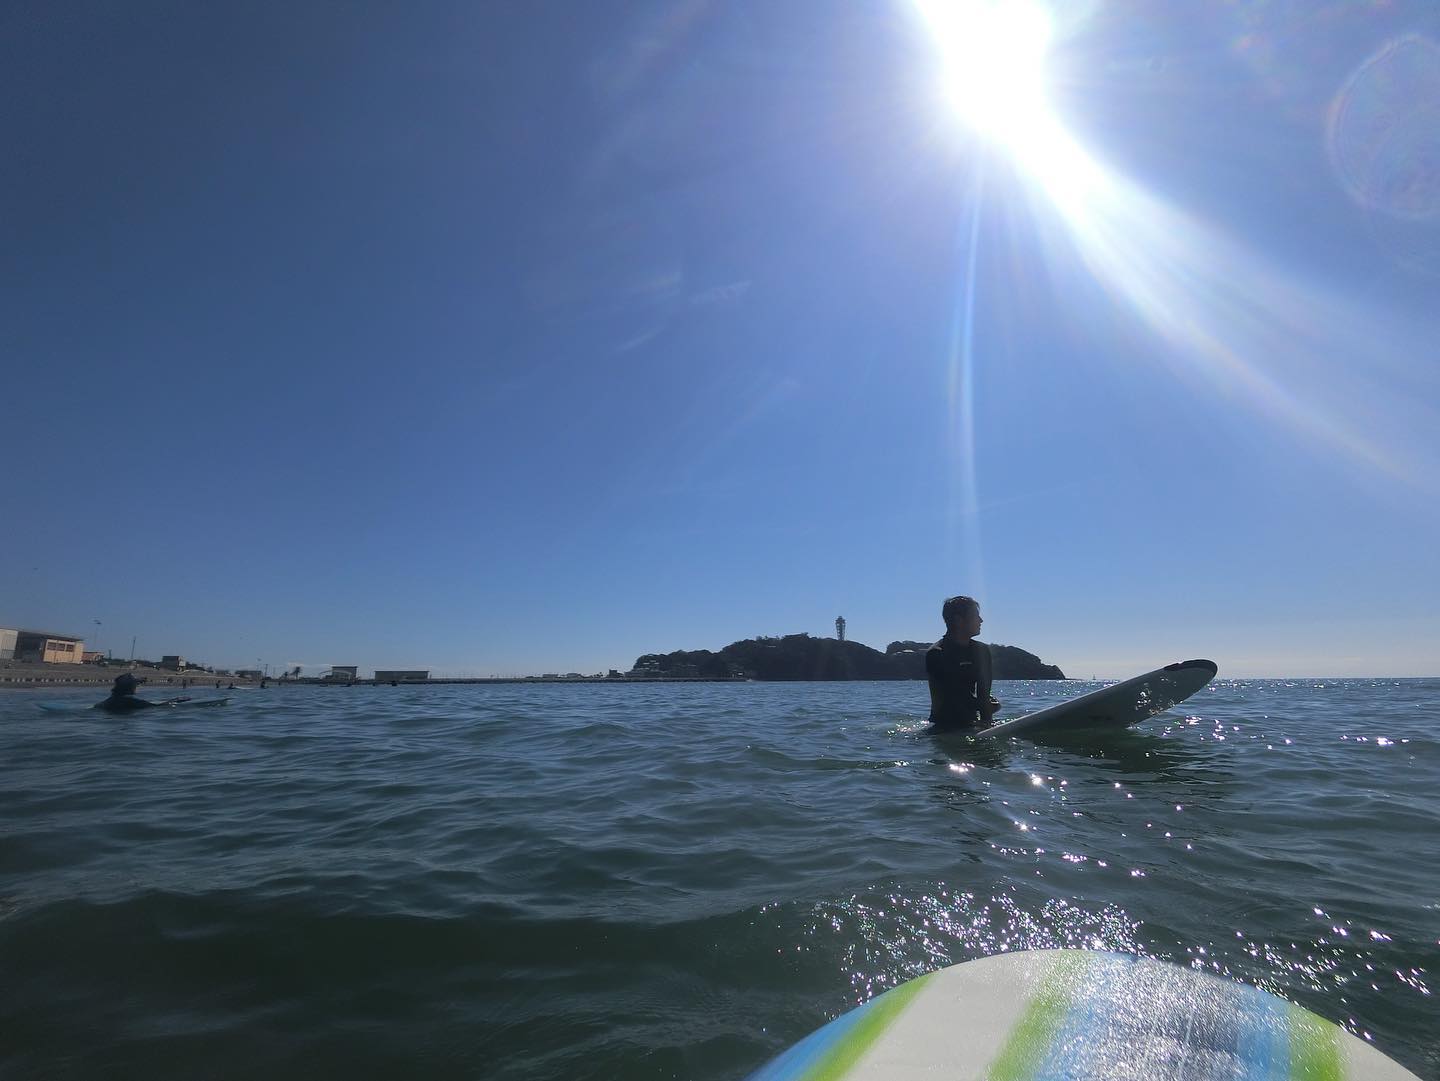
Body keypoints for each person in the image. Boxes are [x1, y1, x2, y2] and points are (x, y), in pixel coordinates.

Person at [926, 595, 1001, 730]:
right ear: (958, 620)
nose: (981, 620)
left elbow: (983, 693)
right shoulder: (937, 654)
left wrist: (988, 723)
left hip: (973, 724)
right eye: (975, 616)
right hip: (944, 728)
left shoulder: (982, 651)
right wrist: (986, 705)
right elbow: (954, 698)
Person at [95, 672, 165, 713]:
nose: (138, 686)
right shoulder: (134, 702)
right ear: (131, 687)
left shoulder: (102, 704)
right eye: (136, 684)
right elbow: (156, 707)